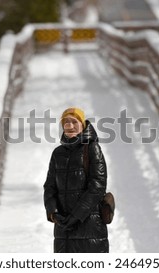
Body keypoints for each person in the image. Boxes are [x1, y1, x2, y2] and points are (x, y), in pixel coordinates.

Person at [43, 107, 109, 253]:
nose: (70, 126)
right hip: (63, 228)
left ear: (82, 124)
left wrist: (76, 216)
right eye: (66, 122)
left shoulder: (92, 148)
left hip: (89, 225)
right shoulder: (57, 153)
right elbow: (49, 186)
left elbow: (97, 186)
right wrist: (53, 213)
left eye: (74, 121)